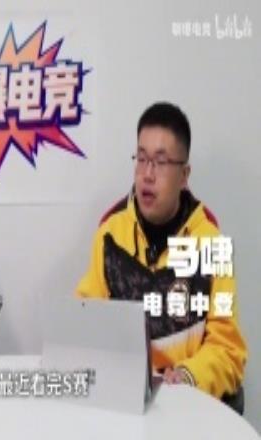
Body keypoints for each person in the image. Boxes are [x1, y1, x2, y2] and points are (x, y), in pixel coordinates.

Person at [76, 102, 247, 399]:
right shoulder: (110, 236)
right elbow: (85, 320)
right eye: (141, 159)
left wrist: (188, 376)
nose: (147, 174)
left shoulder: (210, 244)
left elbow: (228, 350)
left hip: (185, 403)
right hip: (123, 399)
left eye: (160, 161)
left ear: (184, 175)